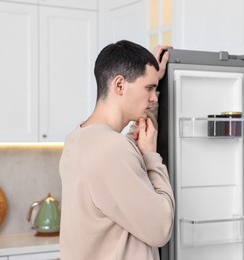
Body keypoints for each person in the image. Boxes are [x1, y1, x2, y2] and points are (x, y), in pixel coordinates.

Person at [59, 40, 175, 260]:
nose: (153, 96)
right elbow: (161, 228)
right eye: (149, 88)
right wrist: (151, 157)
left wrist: (153, 78)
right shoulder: (112, 148)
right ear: (120, 85)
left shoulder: (78, 139)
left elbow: (133, 141)